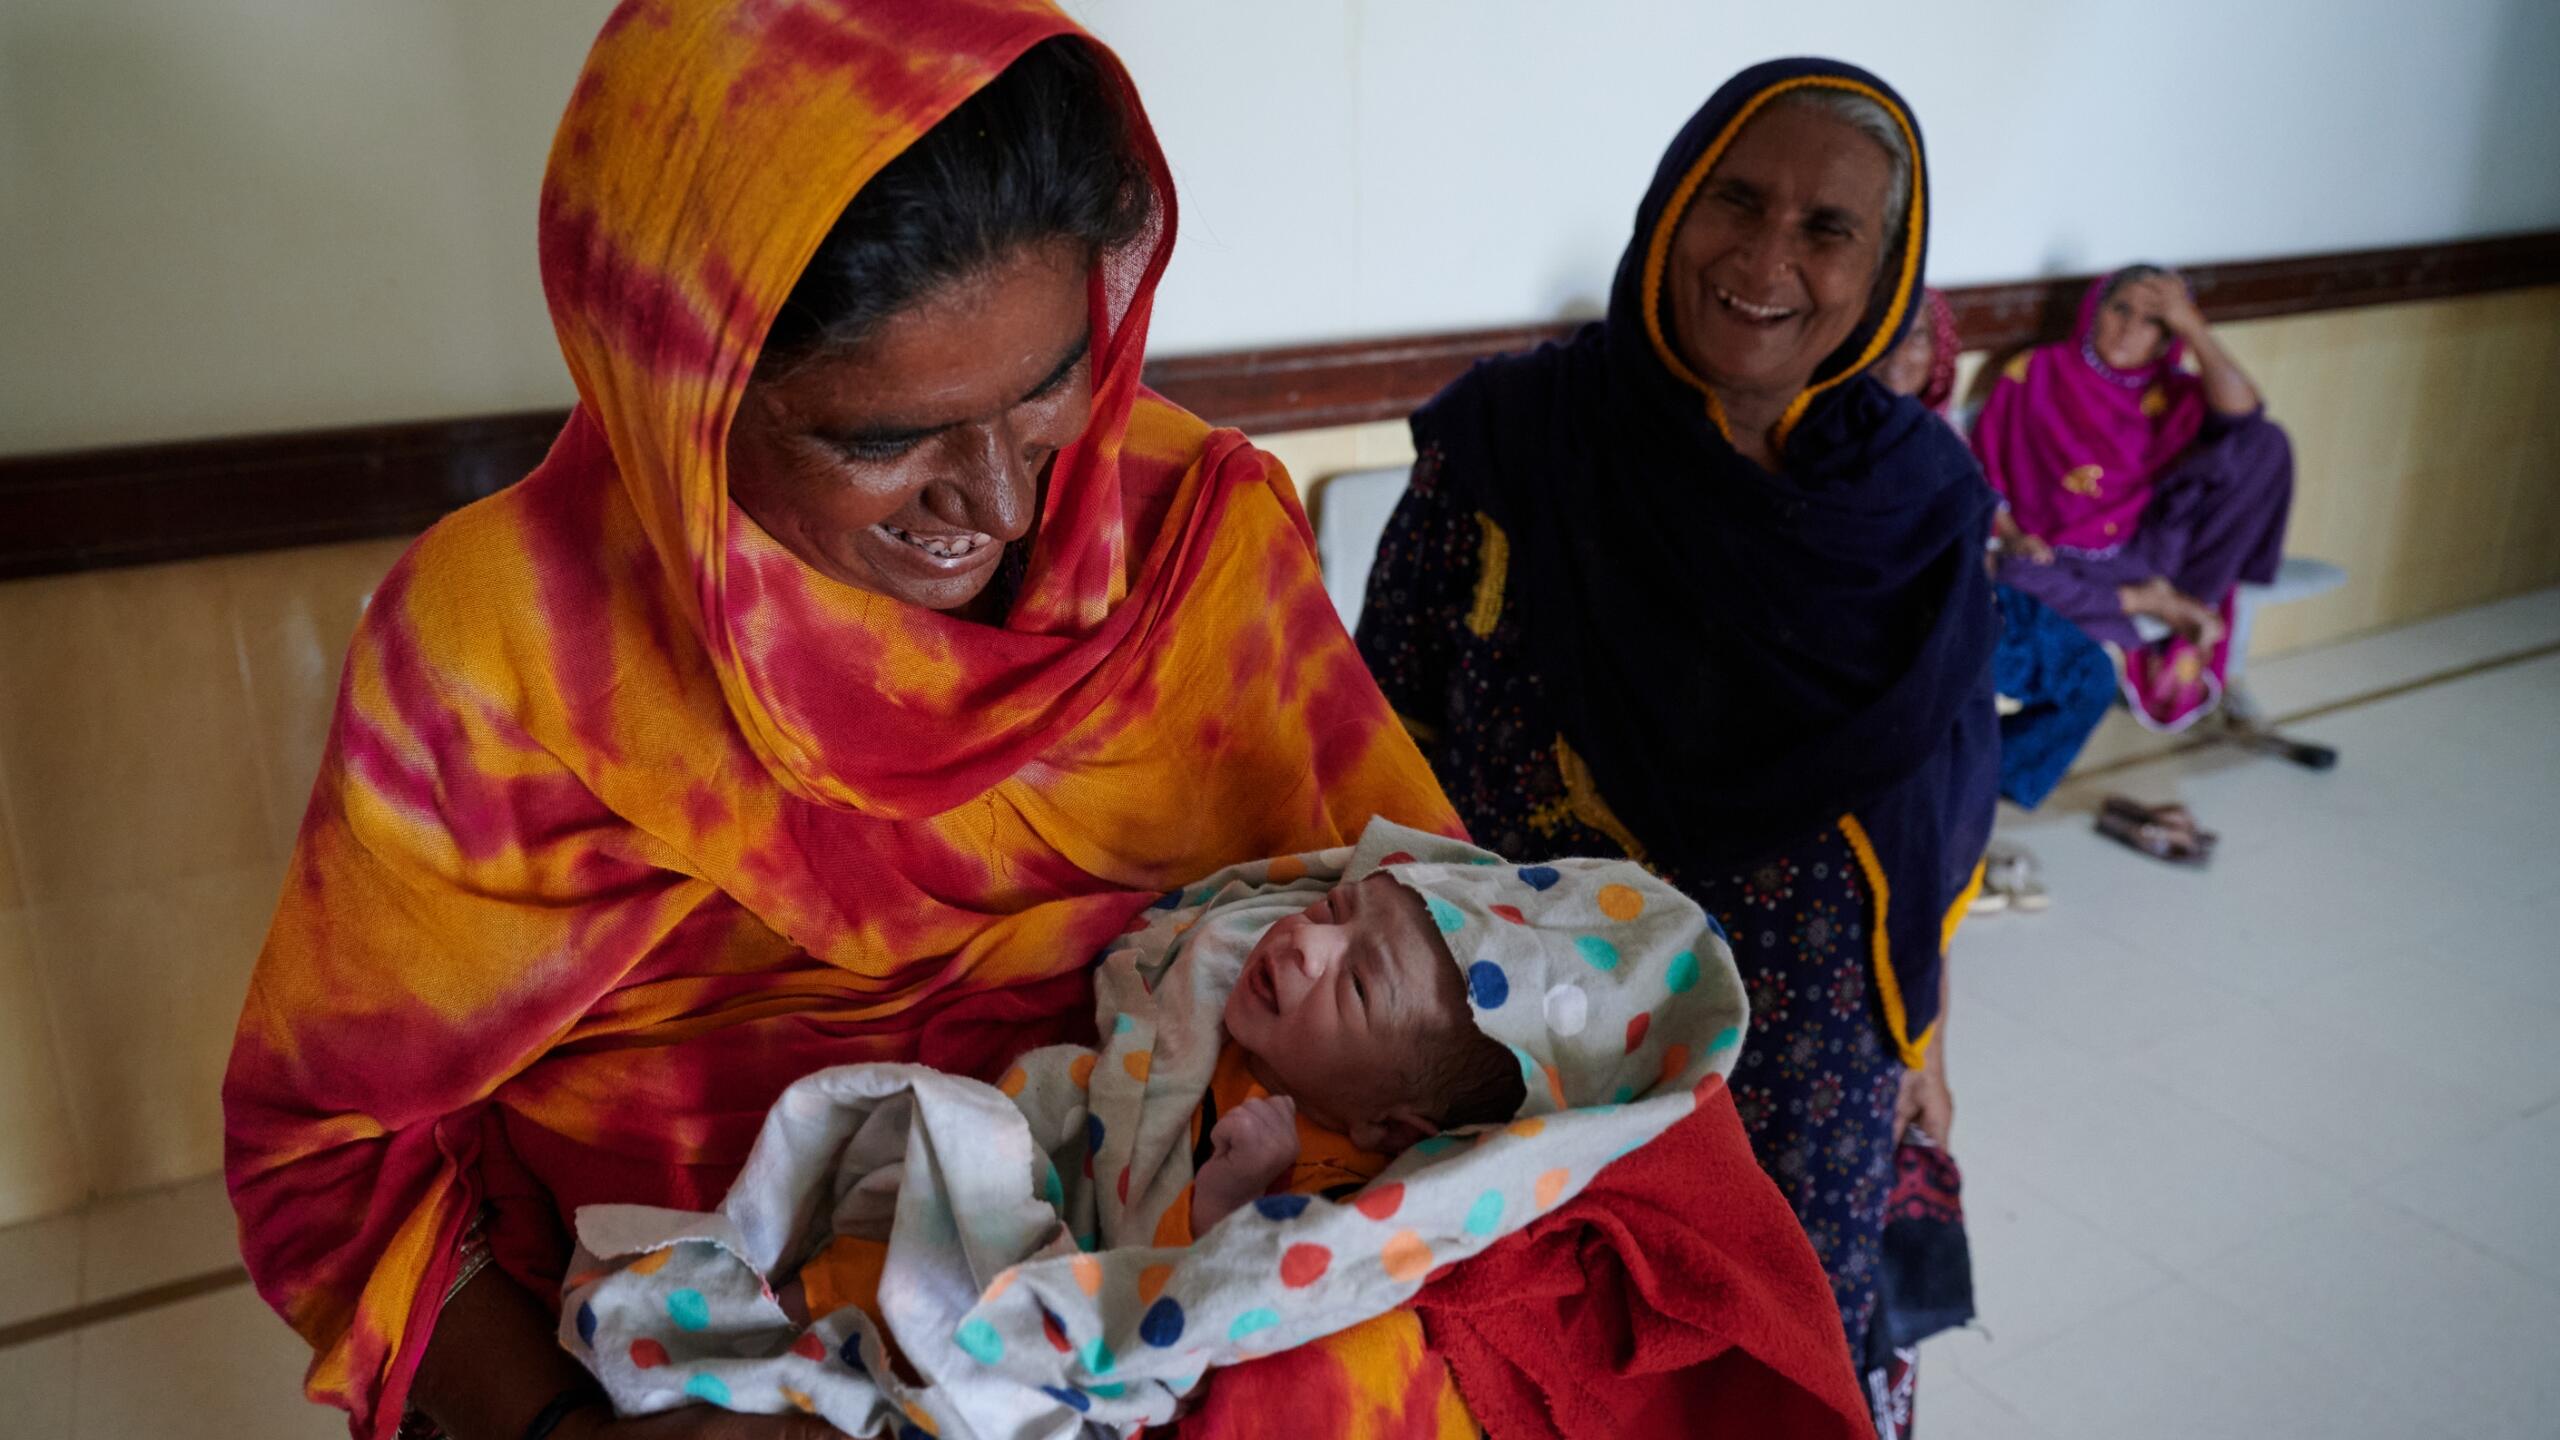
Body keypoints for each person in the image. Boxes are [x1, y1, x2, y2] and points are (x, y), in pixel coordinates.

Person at [224, 10, 1869, 1440]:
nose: (1002, 505)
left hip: (1152, 1223)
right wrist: (566, 1432)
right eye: (888, 439)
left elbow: (1427, 950)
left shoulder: (1184, 536)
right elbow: (331, 1166)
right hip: (698, 1299)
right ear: (684, 391)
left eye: (1049, 392)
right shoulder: (501, 662)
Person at [1355, 56, 1997, 1413]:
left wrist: (1925, 1051)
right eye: (1736, 199)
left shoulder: (1925, 512)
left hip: (1811, 1070)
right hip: (1531, 1046)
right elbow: (1374, 729)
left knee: (1770, 1359)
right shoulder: (1515, 443)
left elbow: (1941, 815)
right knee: (1546, 1352)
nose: (1767, 256)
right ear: (1672, 203)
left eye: (1828, 228)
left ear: (1886, 271)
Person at [560, 821, 1776, 1439]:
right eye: (1341, 910)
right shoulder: (1242, 1003)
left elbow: (1216, 1295)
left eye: (1353, 985)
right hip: (1045, 1192)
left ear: (1396, 1120)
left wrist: (1227, 1200)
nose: (1303, 942)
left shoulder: (1356, 1172)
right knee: (919, 1153)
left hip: (1074, 1293)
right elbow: (1124, 1038)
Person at [1971, 265, 2295, 734]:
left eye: (2152, 321)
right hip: (2054, 553)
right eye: (2119, 309)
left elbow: (2248, 415)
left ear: (2167, 339)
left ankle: (2185, 599)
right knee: (2013, 575)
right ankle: (2156, 605)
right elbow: (1982, 470)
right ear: (2093, 310)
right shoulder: (2036, 373)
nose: (2129, 327)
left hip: (2139, 548)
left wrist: (2192, 326)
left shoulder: (2171, 391)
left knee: (2264, 443)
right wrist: (2014, 534)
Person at [1877, 290, 2117, 907]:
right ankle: (1942, 836)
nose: (1903, 353)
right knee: (1949, 709)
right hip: (1901, 621)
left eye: (1920, 336)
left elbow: (1978, 510)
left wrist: (2006, 537)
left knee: (2088, 674)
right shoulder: (1842, 431)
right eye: (1886, 334)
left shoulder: (1940, 427)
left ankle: (1967, 816)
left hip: (1976, 602)